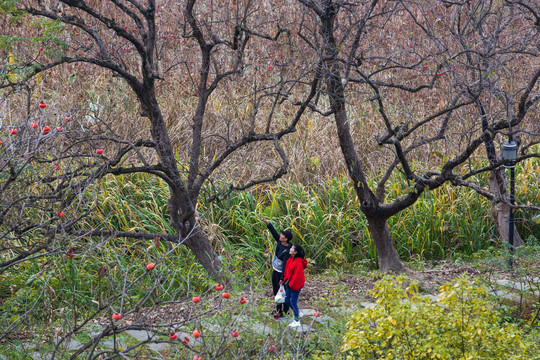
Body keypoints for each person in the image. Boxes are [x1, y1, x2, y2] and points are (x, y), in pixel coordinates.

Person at [262, 217, 293, 319]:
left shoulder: (288, 250)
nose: (280, 236)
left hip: (283, 273)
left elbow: (285, 265)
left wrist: (282, 278)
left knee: (284, 292)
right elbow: (274, 233)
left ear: (286, 239)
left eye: (282, 235)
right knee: (276, 291)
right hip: (276, 271)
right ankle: (278, 310)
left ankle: (285, 312)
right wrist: (267, 223)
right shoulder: (280, 242)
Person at [281, 243, 307, 327]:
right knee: (287, 300)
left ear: (295, 252)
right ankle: (298, 313)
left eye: (292, 248)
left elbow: (298, 276)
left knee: (293, 301)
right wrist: (284, 280)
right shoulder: (291, 259)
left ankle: (296, 320)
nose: (290, 248)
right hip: (289, 284)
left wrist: (292, 285)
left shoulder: (298, 263)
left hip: (295, 285)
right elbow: (287, 271)